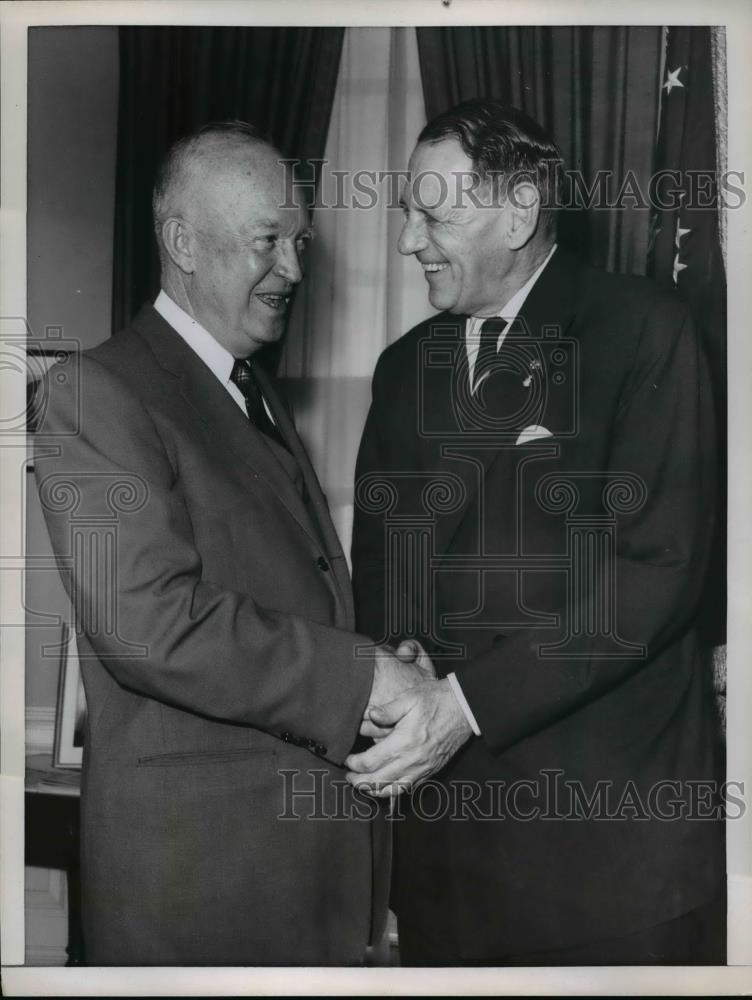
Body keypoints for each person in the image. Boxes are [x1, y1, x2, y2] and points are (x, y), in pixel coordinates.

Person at [33, 122, 426, 966]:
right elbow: (149, 625)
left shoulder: (250, 391)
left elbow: (284, 591)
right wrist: (363, 678)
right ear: (182, 242)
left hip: (298, 873)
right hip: (199, 889)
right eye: (266, 242)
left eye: (299, 241)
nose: (291, 269)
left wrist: (381, 652)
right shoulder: (92, 392)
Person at [348, 99, 725, 965]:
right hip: (452, 854)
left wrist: (465, 705)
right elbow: (385, 564)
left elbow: (655, 572)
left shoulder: (644, 332)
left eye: (434, 215)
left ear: (519, 210)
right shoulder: (404, 369)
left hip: (607, 859)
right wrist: (402, 668)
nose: (410, 241)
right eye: (408, 213)